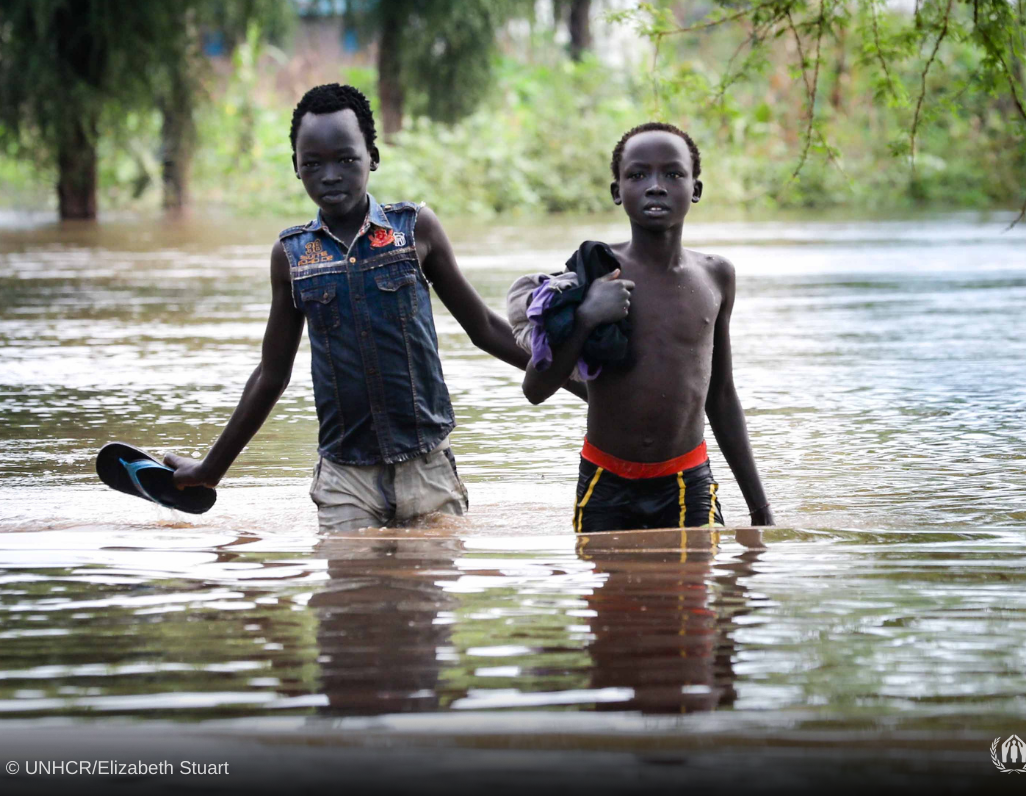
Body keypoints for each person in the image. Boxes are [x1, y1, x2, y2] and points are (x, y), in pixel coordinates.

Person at [165, 83, 580, 531]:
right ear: (295, 168)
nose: (329, 175)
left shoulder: (414, 229)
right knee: (350, 593)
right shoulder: (292, 256)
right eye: (313, 164)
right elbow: (272, 375)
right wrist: (211, 469)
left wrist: (588, 391)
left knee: (426, 593)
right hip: (345, 478)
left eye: (345, 159)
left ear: (373, 157)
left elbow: (483, 328)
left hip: (428, 468)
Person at [523, 122, 773, 531]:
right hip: (605, 483)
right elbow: (536, 389)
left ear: (695, 189)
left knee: (695, 592)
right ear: (617, 191)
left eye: (673, 174)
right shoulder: (593, 272)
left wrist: (760, 509)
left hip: (687, 481)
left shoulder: (716, 277)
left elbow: (721, 396)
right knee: (611, 593)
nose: (655, 186)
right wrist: (587, 315)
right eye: (638, 175)